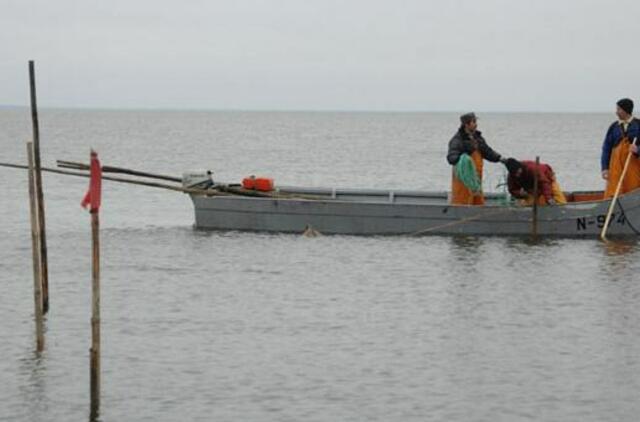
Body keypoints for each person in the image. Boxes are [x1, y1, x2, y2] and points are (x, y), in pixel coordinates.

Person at [447, 112, 506, 205]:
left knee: (478, 201)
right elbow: (451, 158)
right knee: (462, 201)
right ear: (466, 124)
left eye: (475, 121)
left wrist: (500, 158)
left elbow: (487, 151)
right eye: (473, 122)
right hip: (463, 181)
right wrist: (467, 151)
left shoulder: (478, 138)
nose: (476, 124)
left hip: (476, 179)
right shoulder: (457, 140)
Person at [601, 98, 640, 198]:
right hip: (615, 168)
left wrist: (637, 150)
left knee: (633, 191)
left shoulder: (638, 125)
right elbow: (606, 148)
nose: (616, 112)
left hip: (633, 168)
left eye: (619, 109)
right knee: (614, 192)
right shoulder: (614, 127)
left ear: (626, 110)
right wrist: (605, 168)